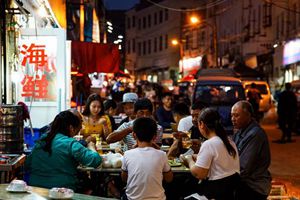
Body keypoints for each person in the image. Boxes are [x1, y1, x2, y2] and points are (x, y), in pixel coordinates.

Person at [25, 111, 102, 191]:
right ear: (71, 128)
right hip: (61, 192)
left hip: (36, 191)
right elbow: (96, 161)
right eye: (76, 131)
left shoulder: (42, 141)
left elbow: (27, 164)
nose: (74, 135)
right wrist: (91, 146)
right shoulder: (70, 143)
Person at [181, 108, 240, 200]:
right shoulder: (229, 142)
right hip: (228, 193)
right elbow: (219, 161)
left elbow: (199, 174)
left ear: (202, 124)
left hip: (213, 194)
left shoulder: (209, 144)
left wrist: (189, 160)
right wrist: (197, 157)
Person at [121, 117, 173, 200]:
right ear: (155, 136)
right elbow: (169, 179)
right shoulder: (161, 155)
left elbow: (124, 179)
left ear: (134, 135)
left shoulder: (127, 154)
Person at [231, 100, 271, 200]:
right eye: (232, 115)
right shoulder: (240, 130)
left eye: (236, 116)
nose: (233, 119)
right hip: (244, 182)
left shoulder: (255, 134)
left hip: (254, 186)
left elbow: (243, 169)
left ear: (248, 115)